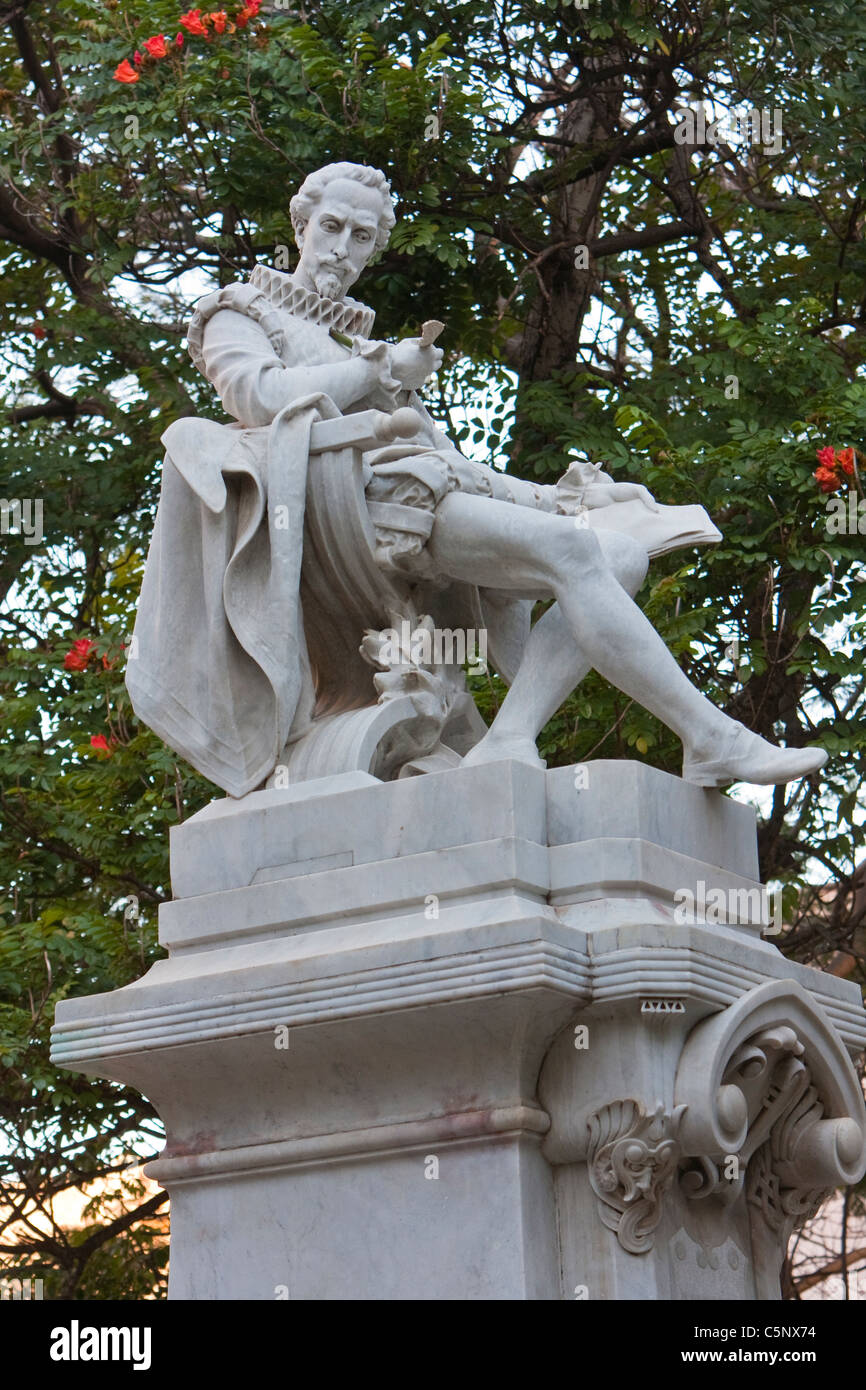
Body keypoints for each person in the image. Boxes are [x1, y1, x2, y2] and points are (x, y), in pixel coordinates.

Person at [128, 161, 826, 795]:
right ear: (301, 226)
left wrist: (569, 495)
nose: (342, 249)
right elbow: (258, 397)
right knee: (576, 552)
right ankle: (710, 736)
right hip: (356, 516)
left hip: (419, 496)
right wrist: (376, 373)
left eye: (362, 237)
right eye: (331, 228)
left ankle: (510, 740)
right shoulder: (240, 311)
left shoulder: (361, 345)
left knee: (616, 552)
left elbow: (449, 465)